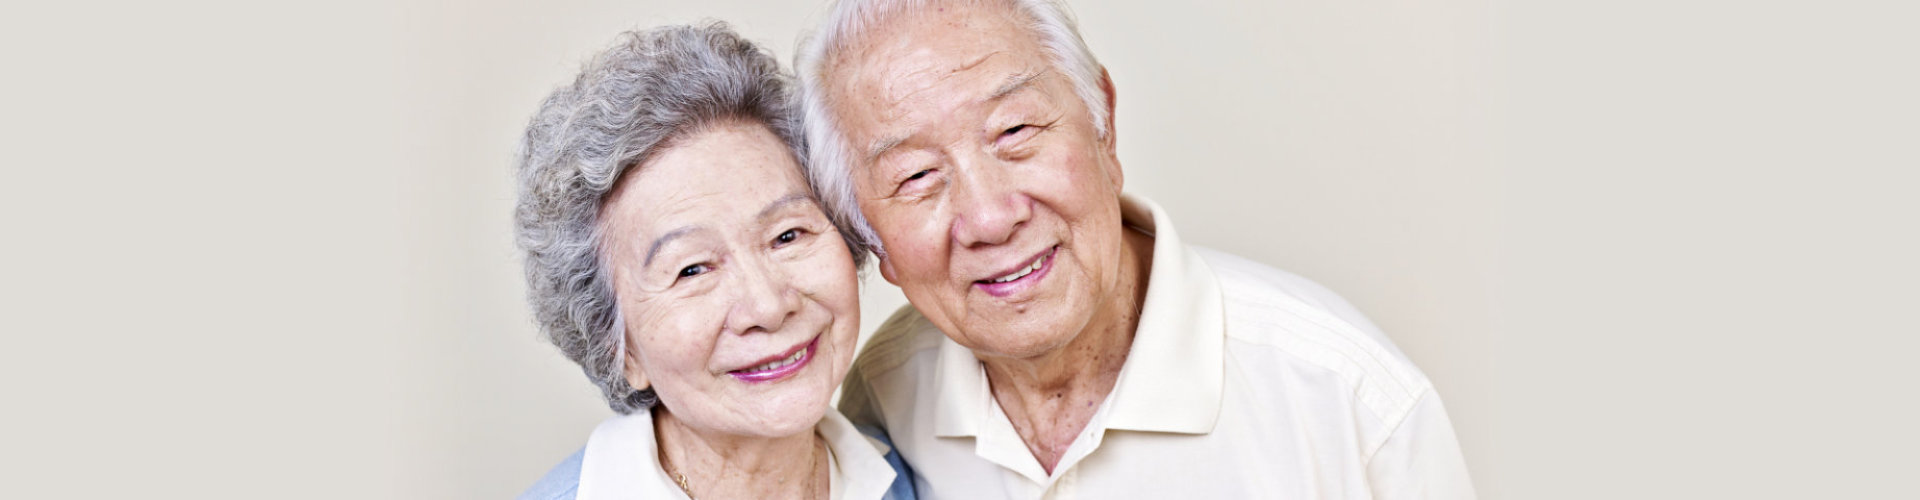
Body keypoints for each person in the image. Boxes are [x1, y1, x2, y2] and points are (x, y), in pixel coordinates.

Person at [792, 1, 1476, 498]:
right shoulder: (879, 400)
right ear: (868, 238)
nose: (991, 217)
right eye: (915, 177)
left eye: (1016, 131)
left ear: (1103, 123)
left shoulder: (1348, 400)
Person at [512, 23, 915, 500]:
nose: (767, 306)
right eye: (693, 269)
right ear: (620, 349)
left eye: (787, 235)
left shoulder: (916, 472)